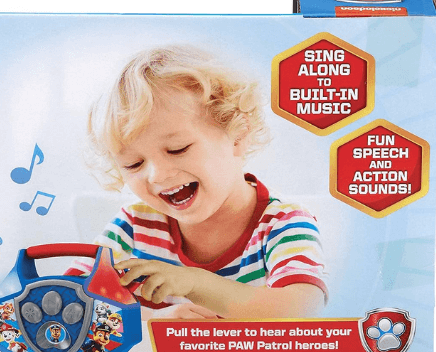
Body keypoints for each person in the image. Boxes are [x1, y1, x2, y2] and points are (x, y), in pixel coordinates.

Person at [66, 46, 327, 320]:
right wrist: (149, 320)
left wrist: (195, 283)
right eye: (134, 164)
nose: (157, 175)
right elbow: (68, 302)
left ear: (238, 136)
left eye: (177, 149)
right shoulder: (134, 225)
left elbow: (302, 309)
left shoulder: (283, 223)